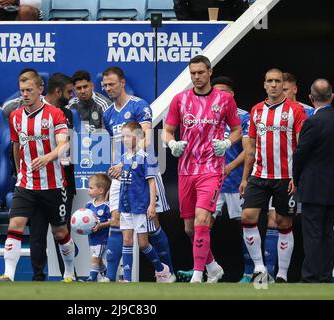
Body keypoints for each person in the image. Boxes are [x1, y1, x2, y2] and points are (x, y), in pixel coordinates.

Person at [162, 55, 242, 283]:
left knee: (202, 220)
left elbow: (237, 130)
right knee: (190, 228)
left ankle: (198, 275)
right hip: (186, 170)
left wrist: (227, 143)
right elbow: (167, 131)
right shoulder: (180, 99)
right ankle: (213, 265)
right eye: (193, 73)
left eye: (200, 72)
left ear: (209, 71)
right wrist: (172, 143)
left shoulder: (224, 99)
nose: (196, 77)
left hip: (211, 169)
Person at [0, 70, 76, 282]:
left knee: (60, 232)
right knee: (15, 225)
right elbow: (16, 146)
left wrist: (48, 158)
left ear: (40, 89)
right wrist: (20, 170)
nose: (25, 94)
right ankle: (8, 275)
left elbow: (64, 144)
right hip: (26, 183)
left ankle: (69, 272)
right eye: (22, 91)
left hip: (54, 184)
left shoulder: (55, 114)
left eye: (29, 90)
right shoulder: (15, 116)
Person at [175, 76, 251, 283]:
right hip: (207, 176)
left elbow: (248, 149)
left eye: (223, 92)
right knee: (197, 226)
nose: (218, 96)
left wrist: (230, 166)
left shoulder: (243, 116)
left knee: (245, 225)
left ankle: (249, 271)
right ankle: (207, 265)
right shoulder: (203, 113)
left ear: (232, 94)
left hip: (234, 180)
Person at [101, 66, 173, 282]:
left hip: (141, 171)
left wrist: (126, 163)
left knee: (152, 227)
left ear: (122, 83)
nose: (108, 88)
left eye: (111, 84)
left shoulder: (140, 105)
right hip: (120, 175)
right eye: (105, 85)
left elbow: (146, 140)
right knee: (116, 219)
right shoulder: (108, 114)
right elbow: (114, 145)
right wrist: (114, 166)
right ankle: (112, 278)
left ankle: (167, 271)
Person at [239, 68, 307, 283]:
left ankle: (282, 274)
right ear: (265, 84)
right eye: (270, 81)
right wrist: (244, 178)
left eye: (278, 81)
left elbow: (302, 146)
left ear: (282, 84)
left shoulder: (296, 110)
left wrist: (298, 176)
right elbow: (250, 148)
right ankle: (260, 268)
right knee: (247, 217)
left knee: (283, 223)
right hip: (259, 175)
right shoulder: (256, 110)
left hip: (286, 177)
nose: (274, 84)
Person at [119, 122, 175, 282]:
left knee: (143, 244)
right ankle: (127, 279)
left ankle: (161, 269)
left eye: (128, 136)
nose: (124, 139)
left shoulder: (146, 157)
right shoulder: (124, 158)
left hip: (140, 206)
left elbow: (151, 183)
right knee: (127, 240)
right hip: (126, 206)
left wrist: (151, 205)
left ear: (137, 136)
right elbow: (127, 180)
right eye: (123, 136)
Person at [293, 79, 334, 283]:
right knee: (327, 232)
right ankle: (326, 275)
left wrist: (296, 178)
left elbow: (300, 154)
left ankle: (311, 276)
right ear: (332, 97)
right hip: (333, 187)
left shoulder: (312, 122)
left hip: (313, 186)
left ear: (310, 98)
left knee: (312, 232)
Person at [39, 72, 77, 280]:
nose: (72, 95)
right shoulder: (36, 112)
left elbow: (69, 148)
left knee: (63, 227)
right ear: (57, 91)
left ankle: (68, 274)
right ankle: (38, 275)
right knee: (38, 231)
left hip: (65, 178)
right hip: (41, 179)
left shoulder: (68, 114)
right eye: (69, 91)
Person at [85, 173, 112, 282]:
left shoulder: (107, 206)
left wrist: (100, 226)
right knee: (99, 261)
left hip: (102, 239)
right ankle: (107, 275)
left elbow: (111, 222)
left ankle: (92, 278)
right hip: (92, 238)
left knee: (95, 259)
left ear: (101, 190)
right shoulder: (89, 205)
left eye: (91, 188)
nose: (88, 190)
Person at [173, 0, 248, 21]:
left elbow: (240, 5)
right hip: (197, 25)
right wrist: (190, 24)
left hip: (226, 27)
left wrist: (234, 24)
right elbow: (179, 4)